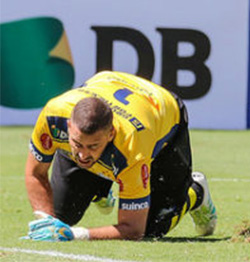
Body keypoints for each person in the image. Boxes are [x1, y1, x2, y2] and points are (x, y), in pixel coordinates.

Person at [24, 71, 217, 241]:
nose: (82, 155)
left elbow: (133, 230)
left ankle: (196, 192)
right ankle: (100, 186)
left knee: (151, 228)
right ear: (69, 126)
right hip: (107, 84)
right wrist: (47, 222)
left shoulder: (132, 144)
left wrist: (76, 235)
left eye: (93, 146)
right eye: (77, 144)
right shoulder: (53, 115)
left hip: (162, 114)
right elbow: (35, 173)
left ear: (111, 134)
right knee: (60, 216)